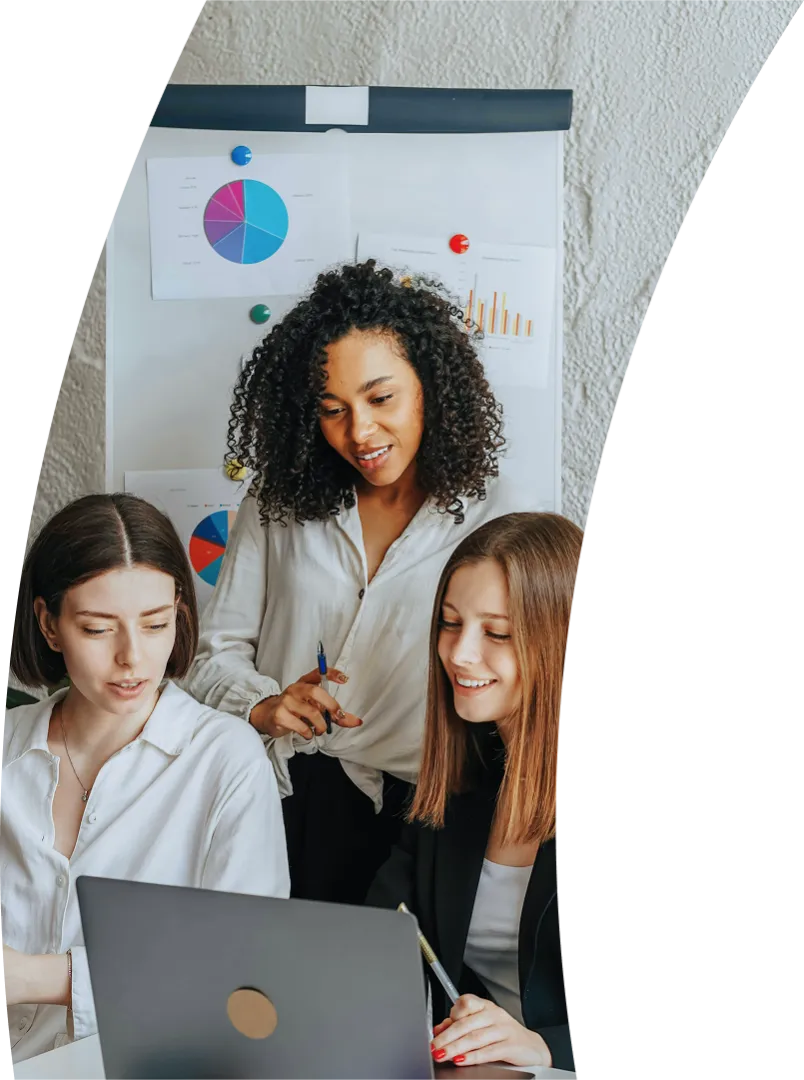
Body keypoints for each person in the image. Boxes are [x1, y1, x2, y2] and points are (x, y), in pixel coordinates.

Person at [183, 259, 531, 905]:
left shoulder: (502, 516)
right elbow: (212, 656)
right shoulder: (278, 500)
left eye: (381, 398)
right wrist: (264, 705)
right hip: (282, 796)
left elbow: (526, 681)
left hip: (429, 811)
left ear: (431, 385)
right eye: (332, 409)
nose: (360, 432)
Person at [1, 493, 290, 1066]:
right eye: (97, 629)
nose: (133, 657)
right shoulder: (7, 746)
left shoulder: (224, 760)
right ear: (49, 625)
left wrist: (35, 978)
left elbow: (246, 978)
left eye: (156, 624)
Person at [366, 511, 582, 1073]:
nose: (459, 654)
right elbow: (376, 939)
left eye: (497, 633)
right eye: (450, 622)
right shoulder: (461, 784)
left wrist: (546, 1046)